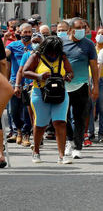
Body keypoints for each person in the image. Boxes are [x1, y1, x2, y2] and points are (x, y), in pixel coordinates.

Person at [23, 36, 75, 164]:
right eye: (51, 51)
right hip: (40, 93)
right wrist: (39, 76)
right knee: (41, 124)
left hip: (60, 94)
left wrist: (68, 76)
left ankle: (62, 156)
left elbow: (70, 72)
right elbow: (25, 71)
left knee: (60, 122)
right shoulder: (37, 56)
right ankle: (36, 152)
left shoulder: (62, 56)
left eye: (55, 52)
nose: (53, 54)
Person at [62, 18, 98, 160]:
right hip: (63, 87)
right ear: (70, 30)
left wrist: (95, 86)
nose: (82, 30)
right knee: (63, 118)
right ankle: (69, 141)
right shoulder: (61, 43)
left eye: (83, 27)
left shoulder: (88, 44)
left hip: (82, 85)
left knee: (79, 118)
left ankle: (78, 146)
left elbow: (94, 67)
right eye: (79, 28)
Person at [5, 22, 33, 146]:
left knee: (28, 111)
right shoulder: (13, 45)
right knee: (13, 111)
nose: (27, 34)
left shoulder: (36, 47)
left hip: (30, 83)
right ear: (19, 33)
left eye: (29, 32)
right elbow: (3, 55)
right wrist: (4, 39)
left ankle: (26, 134)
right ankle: (18, 131)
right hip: (14, 83)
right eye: (24, 32)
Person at [89, 27, 103, 143]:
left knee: (102, 108)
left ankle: (101, 133)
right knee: (91, 107)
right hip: (91, 79)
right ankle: (91, 132)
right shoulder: (92, 49)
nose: (100, 35)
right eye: (99, 33)